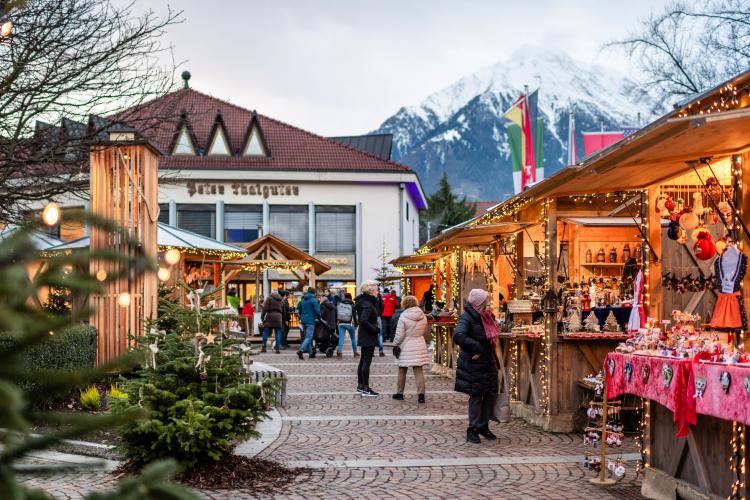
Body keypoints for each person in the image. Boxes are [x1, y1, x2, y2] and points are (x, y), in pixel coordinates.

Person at [453, 288, 499, 444]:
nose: (489, 304)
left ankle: (483, 426)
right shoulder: (466, 318)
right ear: (479, 303)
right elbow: (459, 336)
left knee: (490, 394)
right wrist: (478, 348)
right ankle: (472, 429)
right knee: (477, 396)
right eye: (487, 301)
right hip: (474, 362)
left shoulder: (488, 317)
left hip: (488, 361)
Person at [392, 295, 430, 403]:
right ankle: (421, 396)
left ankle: (400, 393)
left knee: (402, 369)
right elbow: (425, 330)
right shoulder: (422, 315)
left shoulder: (403, 316)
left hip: (406, 345)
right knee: (418, 370)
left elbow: (399, 335)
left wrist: (395, 344)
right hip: (419, 343)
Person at [354, 280, 380, 396]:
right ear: (371, 291)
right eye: (376, 290)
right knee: (366, 362)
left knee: (363, 360)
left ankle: (360, 386)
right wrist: (374, 329)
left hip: (364, 334)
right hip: (368, 335)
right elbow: (363, 320)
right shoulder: (368, 304)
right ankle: (365, 388)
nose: (378, 292)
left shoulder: (365, 301)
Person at [296, 287, 321, 360]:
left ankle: (311, 353)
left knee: (307, 337)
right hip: (310, 321)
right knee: (308, 337)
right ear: (313, 293)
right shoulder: (313, 300)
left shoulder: (303, 299)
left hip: (303, 321)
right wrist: (319, 317)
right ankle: (301, 350)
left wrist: (301, 317)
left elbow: (299, 310)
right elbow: (317, 311)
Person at [336, 292, 358, 358]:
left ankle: (340, 352)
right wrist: (356, 324)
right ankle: (355, 353)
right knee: (353, 338)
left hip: (341, 323)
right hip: (350, 323)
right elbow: (354, 316)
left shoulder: (340, 303)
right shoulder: (352, 305)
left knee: (341, 338)